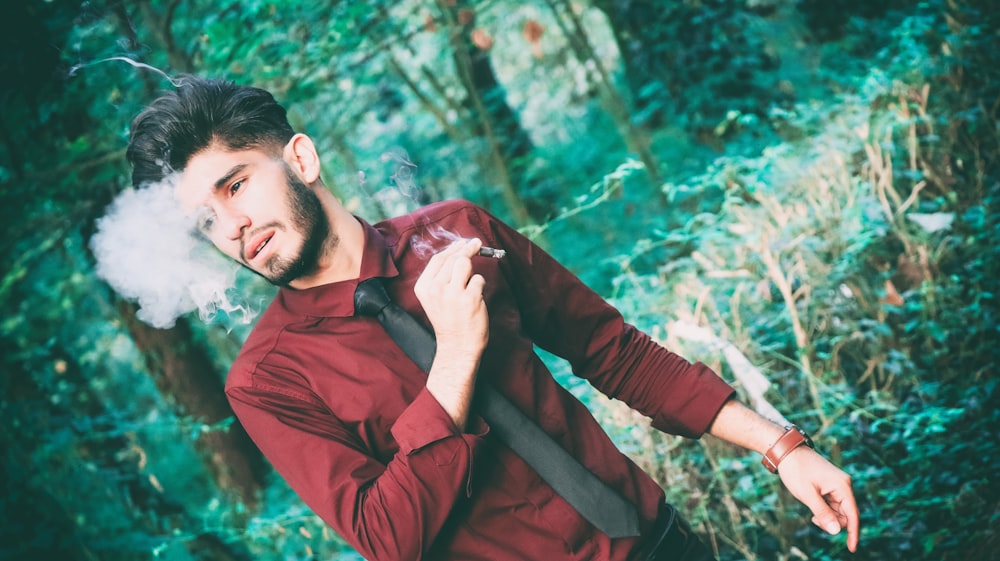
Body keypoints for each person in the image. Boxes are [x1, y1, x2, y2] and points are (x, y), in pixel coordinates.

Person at [125, 76, 860, 561]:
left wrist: (783, 447)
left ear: (302, 159)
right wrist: (453, 359)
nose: (233, 225)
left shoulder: (456, 230)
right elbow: (386, 536)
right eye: (207, 219)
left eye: (236, 184)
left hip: (658, 541)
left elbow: (614, 352)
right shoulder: (266, 380)